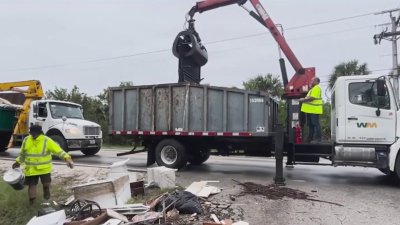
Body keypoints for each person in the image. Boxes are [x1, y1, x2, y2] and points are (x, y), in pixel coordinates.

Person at [12, 124, 74, 204]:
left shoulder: (46, 140)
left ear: (40, 132)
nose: (32, 135)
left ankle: (46, 192)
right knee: (31, 186)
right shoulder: (27, 140)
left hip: (44, 169)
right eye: (31, 133)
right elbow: (23, 154)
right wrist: (18, 162)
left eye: (34, 133)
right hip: (30, 169)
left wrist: (67, 158)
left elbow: (58, 151)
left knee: (46, 185)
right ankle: (32, 203)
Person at [299, 77, 323, 143]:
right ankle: (310, 138)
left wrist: (303, 99)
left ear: (316, 81)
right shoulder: (312, 89)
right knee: (310, 125)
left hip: (314, 110)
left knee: (315, 124)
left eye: (312, 81)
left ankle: (318, 138)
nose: (311, 82)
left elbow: (312, 98)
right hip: (310, 110)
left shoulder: (316, 88)